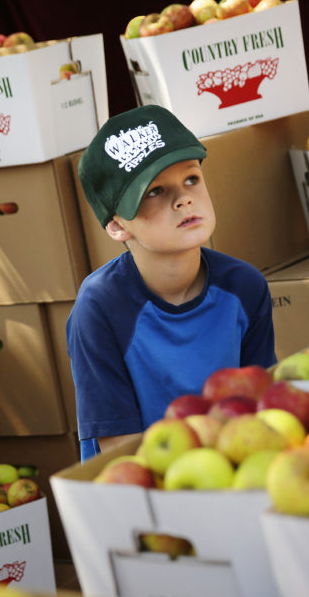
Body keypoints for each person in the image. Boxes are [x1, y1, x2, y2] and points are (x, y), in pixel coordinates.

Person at [67, 105, 276, 461]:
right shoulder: (100, 306)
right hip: (142, 489)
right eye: (155, 192)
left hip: (237, 470)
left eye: (191, 179)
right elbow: (118, 450)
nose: (183, 198)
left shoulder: (245, 287)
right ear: (117, 225)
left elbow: (264, 408)